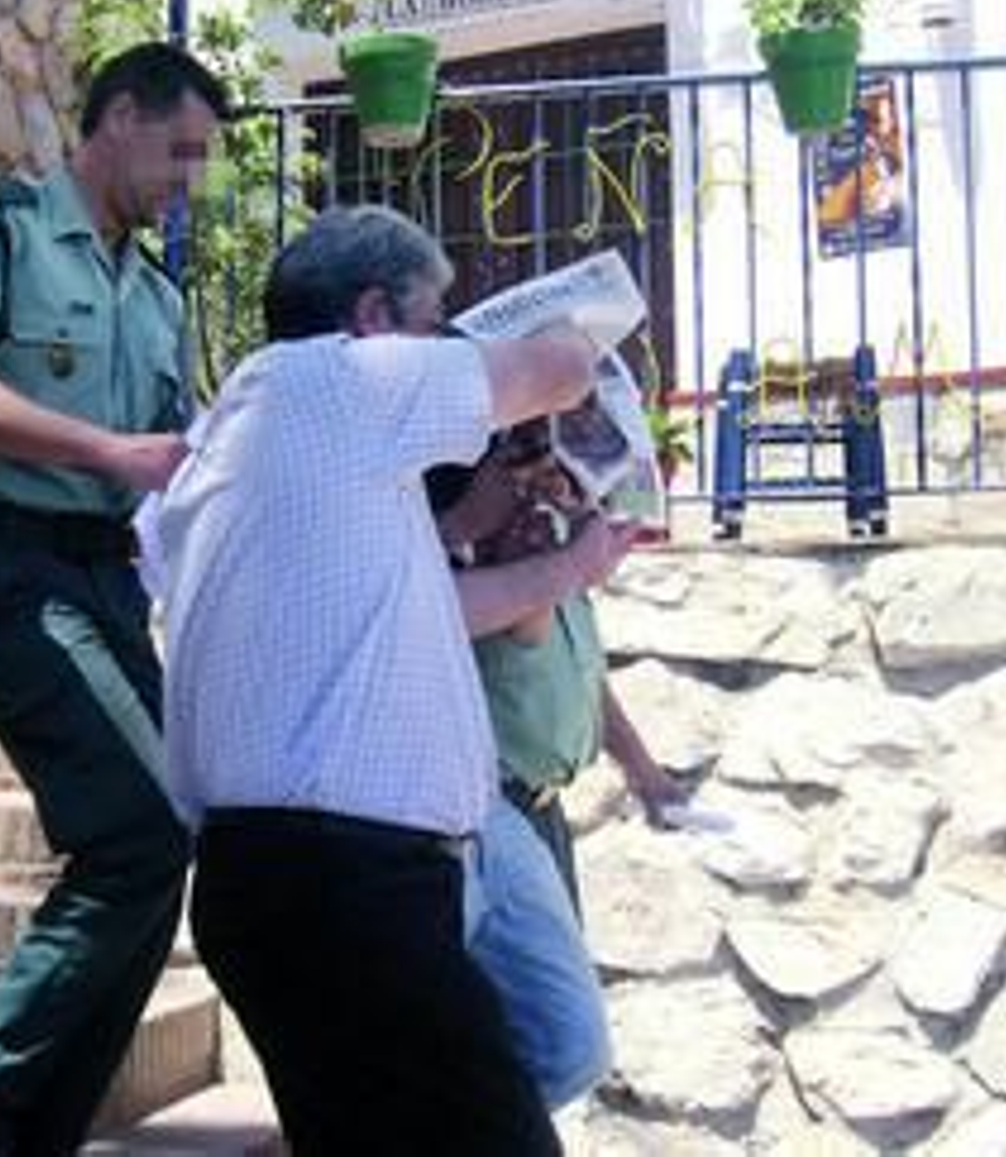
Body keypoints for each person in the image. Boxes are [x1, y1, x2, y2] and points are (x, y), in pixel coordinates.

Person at [142, 204, 627, 1155]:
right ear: (373, 318)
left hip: (307, 880)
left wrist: (554, 562)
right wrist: (576, 316)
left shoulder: (270, 430)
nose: (445, 340)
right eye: (435, 319)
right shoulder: (336, 381)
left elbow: (410, 611)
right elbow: (561, 370)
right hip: (345, 885)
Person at [0, 42, 230, 1156]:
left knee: (155, 840)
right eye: (180, 149)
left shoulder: (155, 290)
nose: (191, 178)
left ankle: (26, 1127)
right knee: (142, 827)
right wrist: (106, 450)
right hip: (2, 553)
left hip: (105, 574)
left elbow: (173, 456)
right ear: (117, 116)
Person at [428, 427, 687, 1110]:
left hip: (542, 816)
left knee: (550, 1038)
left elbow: (589, 683)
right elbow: (530, 619)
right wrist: (569, 550)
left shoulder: (555, 571)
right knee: (523, 1038)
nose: (554, 493)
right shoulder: (516, 579)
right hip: (496, 812)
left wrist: (646, 773)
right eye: (533, 481)